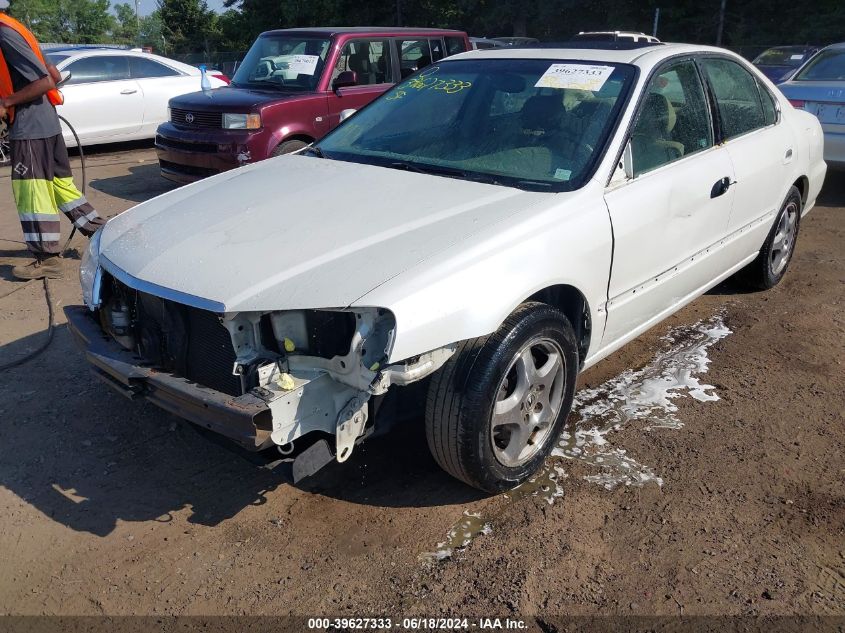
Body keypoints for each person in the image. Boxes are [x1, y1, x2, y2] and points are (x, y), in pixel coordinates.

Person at [0, 0, 104, 280]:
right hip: (45, 122)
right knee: (58, 186)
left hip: (30, 127)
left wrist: (6, 101)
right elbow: (55, 75)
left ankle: (47, 258)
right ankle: (100, 231)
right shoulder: (17, 28)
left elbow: (46, 81)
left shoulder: (3, 33)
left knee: (31, 192)